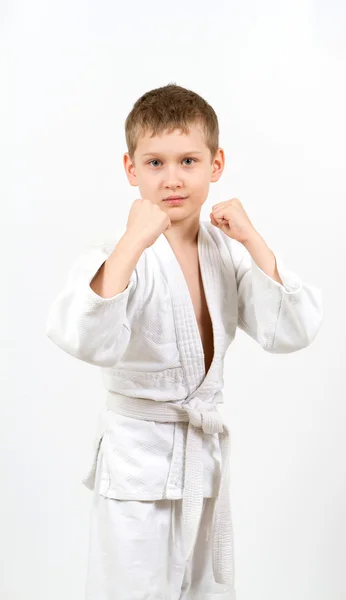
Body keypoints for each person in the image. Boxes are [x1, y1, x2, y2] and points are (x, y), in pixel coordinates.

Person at [45, 83, 323, 600]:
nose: (172, 179)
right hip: (136, 475)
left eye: (188, 161)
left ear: (216, 165)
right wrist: (133, 240)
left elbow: (291, 330)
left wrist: (253, 239)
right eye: (155, 163)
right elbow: (84, 337)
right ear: (131, 169)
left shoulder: (227, 251)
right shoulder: (117, 254)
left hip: (204, 468)